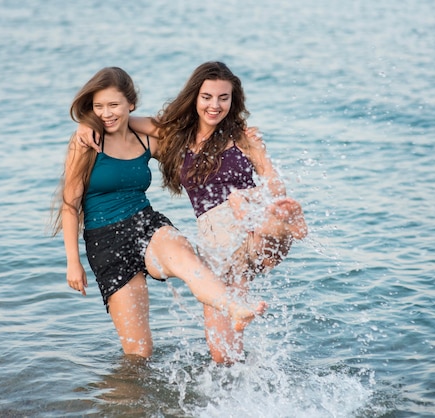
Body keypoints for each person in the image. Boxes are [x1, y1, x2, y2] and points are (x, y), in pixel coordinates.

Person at [77, 62, 307, 364]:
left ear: (232, 100)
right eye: (207, 97)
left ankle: (284, 223)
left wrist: (278, 201)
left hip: (251, 221)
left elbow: (273, 180)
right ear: (194, 97)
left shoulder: (244, 138)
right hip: (216, 243)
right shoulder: (174, 136)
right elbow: (122, 120)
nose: (215, 105)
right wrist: (87, 124)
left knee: (250, 215)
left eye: (223, 98)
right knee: (223, 352)